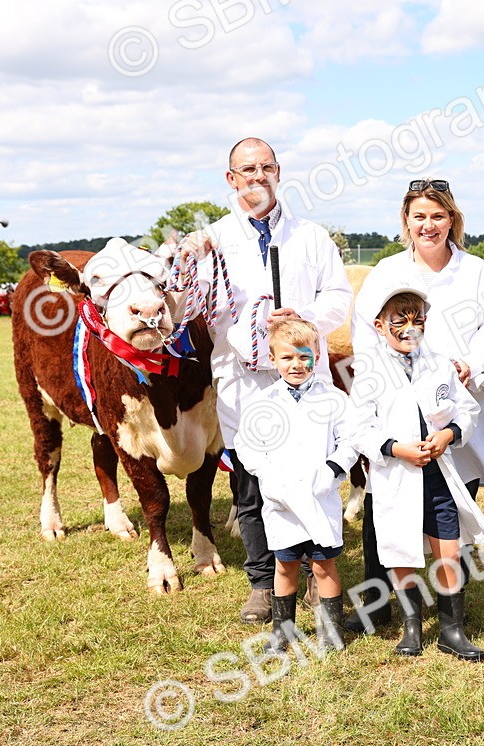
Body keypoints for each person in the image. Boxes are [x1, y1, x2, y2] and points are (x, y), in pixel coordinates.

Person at [180, 137, 352, 623]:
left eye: (266, 167)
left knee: (316, 473)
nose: (257, 176)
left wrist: (308, 317)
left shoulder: (311, 236)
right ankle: (263, 582)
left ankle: (322, 577)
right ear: (230, 179)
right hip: (243, 380)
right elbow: (192, 310)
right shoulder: (211, 241)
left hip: (304, 377)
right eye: (246, 169)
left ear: (279, 172)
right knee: (252, 480)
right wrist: (191, 260)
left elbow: (338, 295)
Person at [346, 178, 484, 633]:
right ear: (406, 222)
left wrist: (470, 366)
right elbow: (365, 334)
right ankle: (378, 606)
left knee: (449, 508)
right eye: (419, 216)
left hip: (453, 403)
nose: (429, 224)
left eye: (438, 215)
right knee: (386, 512)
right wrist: (381, 373)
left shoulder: (478, 272)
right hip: (395, 408)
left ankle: (449, 612)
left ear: (453, 220)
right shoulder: (385, 271)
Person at [351, 283, 484, 662]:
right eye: (398, 321)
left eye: (417, 321)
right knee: (400, 549)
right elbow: (357, 426)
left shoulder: (440, 364)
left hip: (438, 473)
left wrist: (448, 435)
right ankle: (411, 625)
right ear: (380, 326)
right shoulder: (369, 371)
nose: (408, 328)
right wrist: (396, 449)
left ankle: (451, 629)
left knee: (448, 550)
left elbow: (467, 411)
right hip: (396, 475)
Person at [233, 319, 359, 652]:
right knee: (286, 565)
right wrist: (269, 477)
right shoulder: (263, 402)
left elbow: (349, 441)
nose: (297, 364)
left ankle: (330, 632)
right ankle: (282, 631)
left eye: (305, 357)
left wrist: (332, 470)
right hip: (282, 500)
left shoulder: (334, 399)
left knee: (323, 564)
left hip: (321, 497)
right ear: (272, 360)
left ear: (317, 356)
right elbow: (248, 446)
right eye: (287, 358)